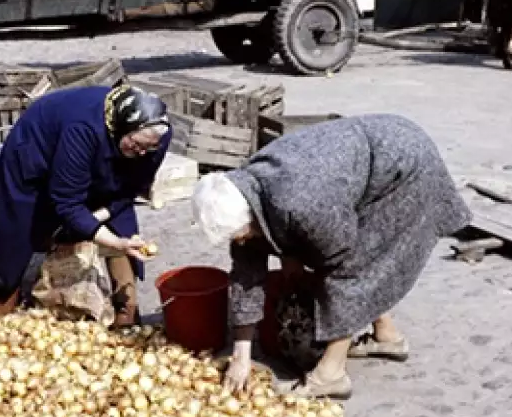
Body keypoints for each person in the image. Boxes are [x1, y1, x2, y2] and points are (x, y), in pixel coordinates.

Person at [190, 114, 472, 399]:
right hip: (361, 162)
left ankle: (331, 374)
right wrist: (241, 355)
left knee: (357, 261)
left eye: (243, 235)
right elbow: (246, 274)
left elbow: (346, 266)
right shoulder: (242, 191)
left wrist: (295, 254)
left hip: (405, 166)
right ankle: (387, 335)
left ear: (251, 218)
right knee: (347, 249)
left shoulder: (301, 203)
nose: (242, 242)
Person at [0, 84, 171, 327]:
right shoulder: (82, 128)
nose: (142, 151)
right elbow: (68, 202)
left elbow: (130, 190)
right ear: (120, 128)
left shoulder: (157, 137)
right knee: (20, 222)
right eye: (136, 144)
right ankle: (10, 288)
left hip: (96, 147)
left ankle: (127, 307)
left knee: (120, 220)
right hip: (36, 151)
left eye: (149, 147)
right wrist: (99, 231)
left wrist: (102, 217)